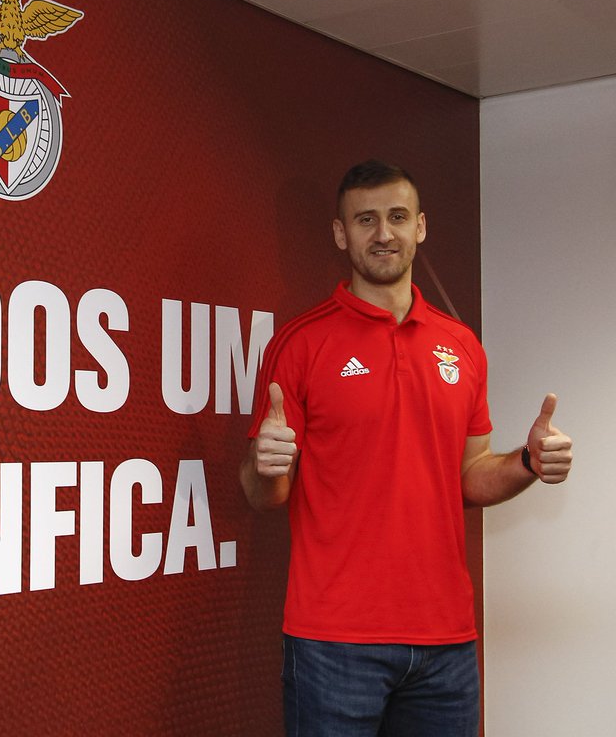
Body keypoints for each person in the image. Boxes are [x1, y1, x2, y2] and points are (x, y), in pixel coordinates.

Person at [241, 160, 574, 736]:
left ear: (420, 226)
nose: (383, 233)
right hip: (333, 642)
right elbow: (261, 493)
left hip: (446, 644)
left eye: (397, 217)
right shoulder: (300, 343)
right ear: (340, 234)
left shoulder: (461, 346)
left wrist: (527, 462)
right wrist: (264, 465)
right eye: (365, 220)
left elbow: (470, 474)